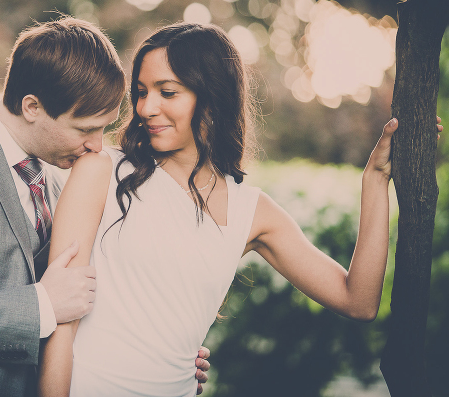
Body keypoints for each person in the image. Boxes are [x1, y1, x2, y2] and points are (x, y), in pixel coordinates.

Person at [38, 22, 443, 397]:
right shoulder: (101, 171)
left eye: (167, 91)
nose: (145, 108)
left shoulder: (253, 211)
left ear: (211, 96)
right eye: (141, 92)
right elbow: (61, 324)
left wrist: (374, 180)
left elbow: (359, 301)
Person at [0, 17, 210, 397]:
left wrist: (158, 357)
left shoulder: (64, 178)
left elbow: (81, 304)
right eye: (84, 129)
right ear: (32, 106)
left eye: (103, 129)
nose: (97, 146)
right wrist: (40, 304)